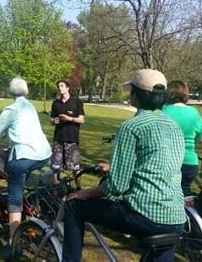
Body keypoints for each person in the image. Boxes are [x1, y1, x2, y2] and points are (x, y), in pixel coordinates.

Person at [62, 69, 186, 262]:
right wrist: (115, 168)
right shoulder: (174, 126)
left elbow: (116, 187)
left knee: (73, 207)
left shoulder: (131, 127)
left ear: (136, 96)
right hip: (176, 217)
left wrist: (84, 193)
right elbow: (157, 166)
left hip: (146, 214)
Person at [0, 77, 52, 259]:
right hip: (44, 154)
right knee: (19, 179)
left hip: (24, 156)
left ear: (10, 91)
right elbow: (20, 128)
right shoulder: (29, 107)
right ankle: (30, 208)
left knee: (14, 196)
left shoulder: (12, 109)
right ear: (26, 91)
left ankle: (14, 243)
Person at [163, 80, 202, 196]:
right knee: (185, 194)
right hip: (190, 162)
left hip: (168, 161)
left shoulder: (163, 110)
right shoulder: (194, 112)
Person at [50, 80, 85, 189]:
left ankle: (78, 188)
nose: (60, 88)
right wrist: (54, 121)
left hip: (71, 138)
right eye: (58, 86)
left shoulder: (76, 102)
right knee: (55, 166)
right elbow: (52, 119)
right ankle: (56, 189)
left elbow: (82, 120)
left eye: (62, 86)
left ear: (67, 88)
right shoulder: (56, 103)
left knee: (75, 167)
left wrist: (70, 118)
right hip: (58, 139)